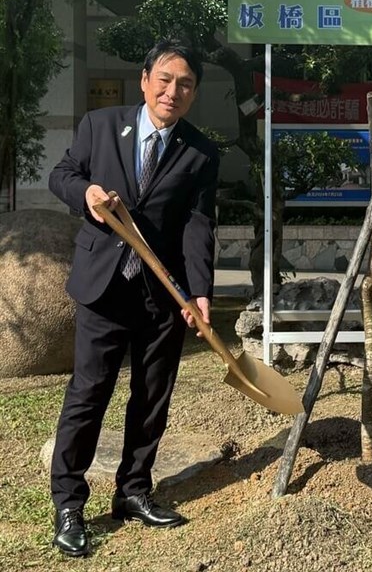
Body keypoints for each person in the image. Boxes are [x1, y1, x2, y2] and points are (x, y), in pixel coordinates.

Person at [48, 41, 219, 558]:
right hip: (103, 288)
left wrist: (199, 291)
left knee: (152, 397)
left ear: (194, 93)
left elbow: (197, 225)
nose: (173, 92)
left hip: (160, 293)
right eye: (165, 80)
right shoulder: (100, 125)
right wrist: (87, 196)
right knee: (88, 394)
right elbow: (63, 174)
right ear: (145, 80)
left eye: (185, 84)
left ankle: (133, 490)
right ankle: (69, 504)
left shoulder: (200, 152)